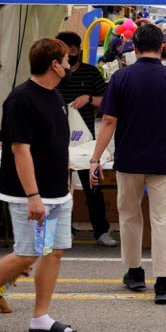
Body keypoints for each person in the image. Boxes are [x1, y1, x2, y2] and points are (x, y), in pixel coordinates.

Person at [0, 38, 76, 332]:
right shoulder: (20, 99)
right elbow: (20, 149)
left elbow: (57, 144)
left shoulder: (56, 96)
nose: (70, 65)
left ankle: (40, 317)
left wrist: (65, 181)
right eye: (66, 60)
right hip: (28, 193)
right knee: (28, 253)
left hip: (57, 191)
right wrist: (33, 195)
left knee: (53, 252)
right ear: (54, 64)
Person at [90, 23, 166, 305]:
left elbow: (109, 121)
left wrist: (96, 158)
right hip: (163, 159)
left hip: (129, 159)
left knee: (129, 216)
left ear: (133, 48)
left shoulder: (121, 78)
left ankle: (135, 273)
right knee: (162, 219)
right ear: (162, 48)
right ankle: (163, 283)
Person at [54, 32, 114, 247]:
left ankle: (101, 230)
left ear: (79, 50)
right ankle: (64, 230)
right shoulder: (54, 74)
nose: (69, 56)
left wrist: (89, 99)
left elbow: (108, 101)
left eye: (73, 50)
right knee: (60, 188)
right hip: (57, 141)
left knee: (92, 186)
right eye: (64, 52)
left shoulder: (90, 73)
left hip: (87, 143)